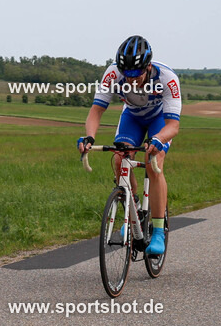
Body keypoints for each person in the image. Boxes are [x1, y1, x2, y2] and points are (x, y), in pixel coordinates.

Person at [77, 35, 181, 255]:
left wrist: (158, 140)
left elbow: (173, 126)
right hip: (132, 117)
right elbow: (96, 111)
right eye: (128, 75)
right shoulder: (113, 73)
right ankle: (131, 208)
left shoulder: (167, 78)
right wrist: (89, 137)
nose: (132, 79)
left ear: (148, 66)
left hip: (159, 120)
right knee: (118, 156)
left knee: (152, 163)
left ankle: (159, 232)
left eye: (136, 74)